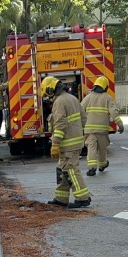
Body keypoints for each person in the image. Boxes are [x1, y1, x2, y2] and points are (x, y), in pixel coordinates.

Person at [44, 76, 90, 209]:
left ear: (51, 89)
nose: (47, 97)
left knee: (71, 170)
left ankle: (83, 198)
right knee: (62, 169)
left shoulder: (59, 102)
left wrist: (55, 143)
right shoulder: (72, 98)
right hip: (75, 142)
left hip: (68, 144)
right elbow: (83, 119)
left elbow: (60, 124)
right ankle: (61, 198)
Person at [81, 76, 123, 176]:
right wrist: (120, 125)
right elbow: (114, 113)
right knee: (102, 149)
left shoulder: (88, 97)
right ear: (105, 87)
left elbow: (80, 109)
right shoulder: (107, 98)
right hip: (102, 129)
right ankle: (102, 164)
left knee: (91, 148)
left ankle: (91, 168)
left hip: (89, 129)